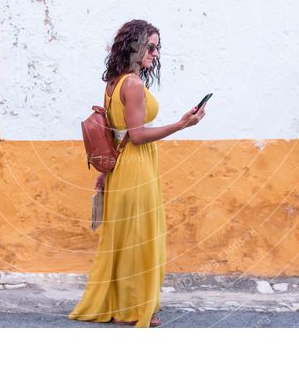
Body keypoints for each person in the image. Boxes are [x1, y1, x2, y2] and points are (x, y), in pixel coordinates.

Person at [68, 19, 206, 328]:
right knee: (139, 238)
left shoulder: (114, 82)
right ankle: (132, 310)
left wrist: (105, 174)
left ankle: (121, 305)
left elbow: (118, 132)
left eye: (158, 48)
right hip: (137, 168)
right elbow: (139, 135)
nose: (156, 53)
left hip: (122, 168)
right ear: (135, 46)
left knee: (124, 238)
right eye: (151, 46)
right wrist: (182, 124)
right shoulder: (132, 84)